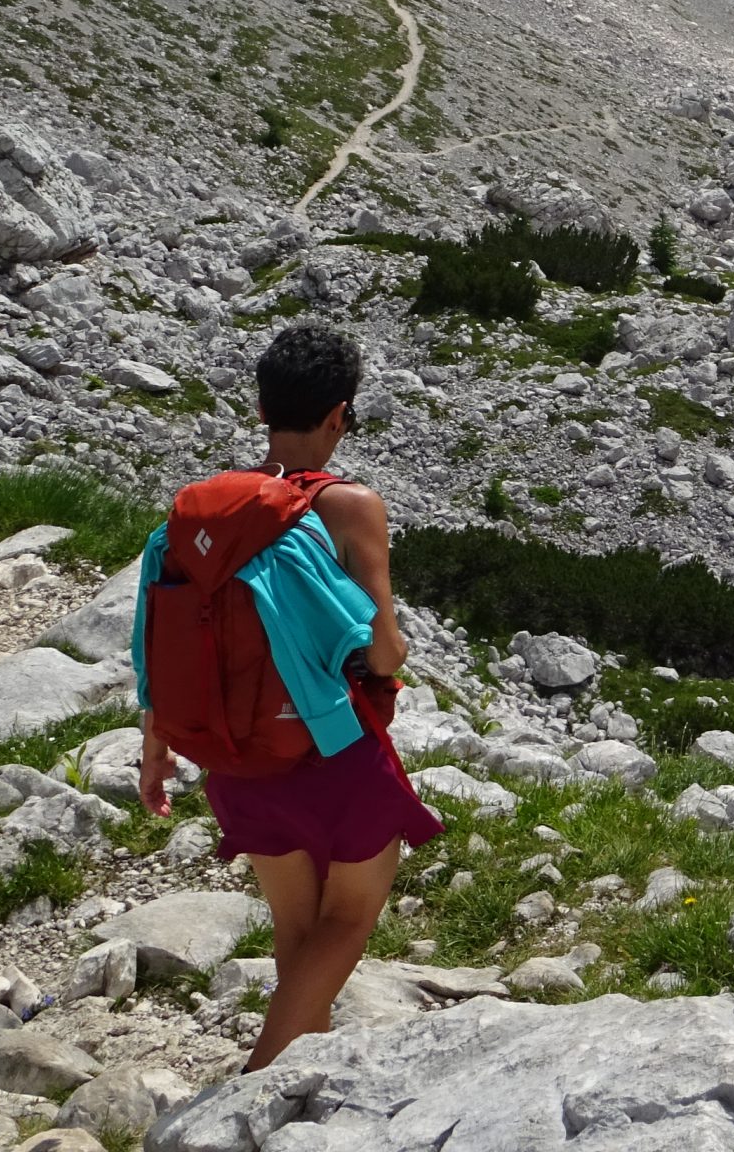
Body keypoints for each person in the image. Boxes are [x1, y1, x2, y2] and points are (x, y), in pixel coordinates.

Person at [133, 323, 440, 1070]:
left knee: (297, 929)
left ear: (263, 408)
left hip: (232, 756)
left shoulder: (205, 514)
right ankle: (260, 1080)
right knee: (349, 918)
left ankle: (306, 1077)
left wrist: (156, 748)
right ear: (338, 415)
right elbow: (383, 646)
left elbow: (154, 635)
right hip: (332, 751)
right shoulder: (348, 506)